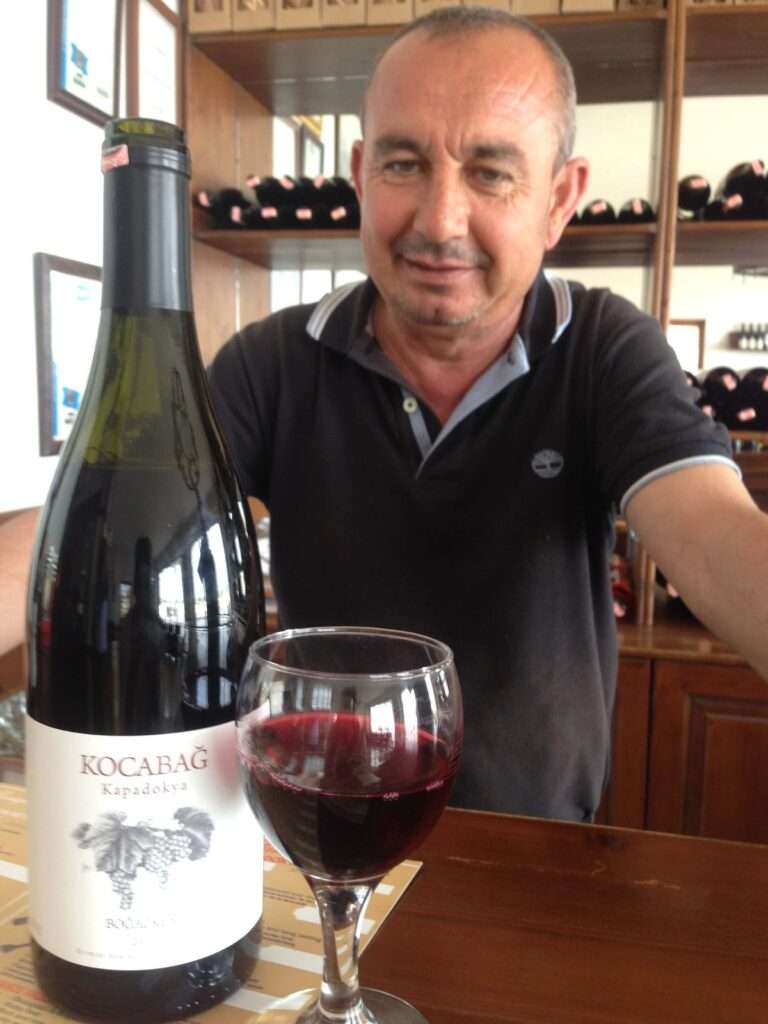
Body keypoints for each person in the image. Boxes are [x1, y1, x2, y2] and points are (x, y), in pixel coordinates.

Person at [207, 5, 768, 822]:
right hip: (321, 835)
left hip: (536, 857)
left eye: (492, 172)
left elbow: (715, 536)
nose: (439, 222)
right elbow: (122, 529)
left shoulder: (605, 349)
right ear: (360, 176)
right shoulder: (272, 362)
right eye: (404, 165)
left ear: (561, 198)